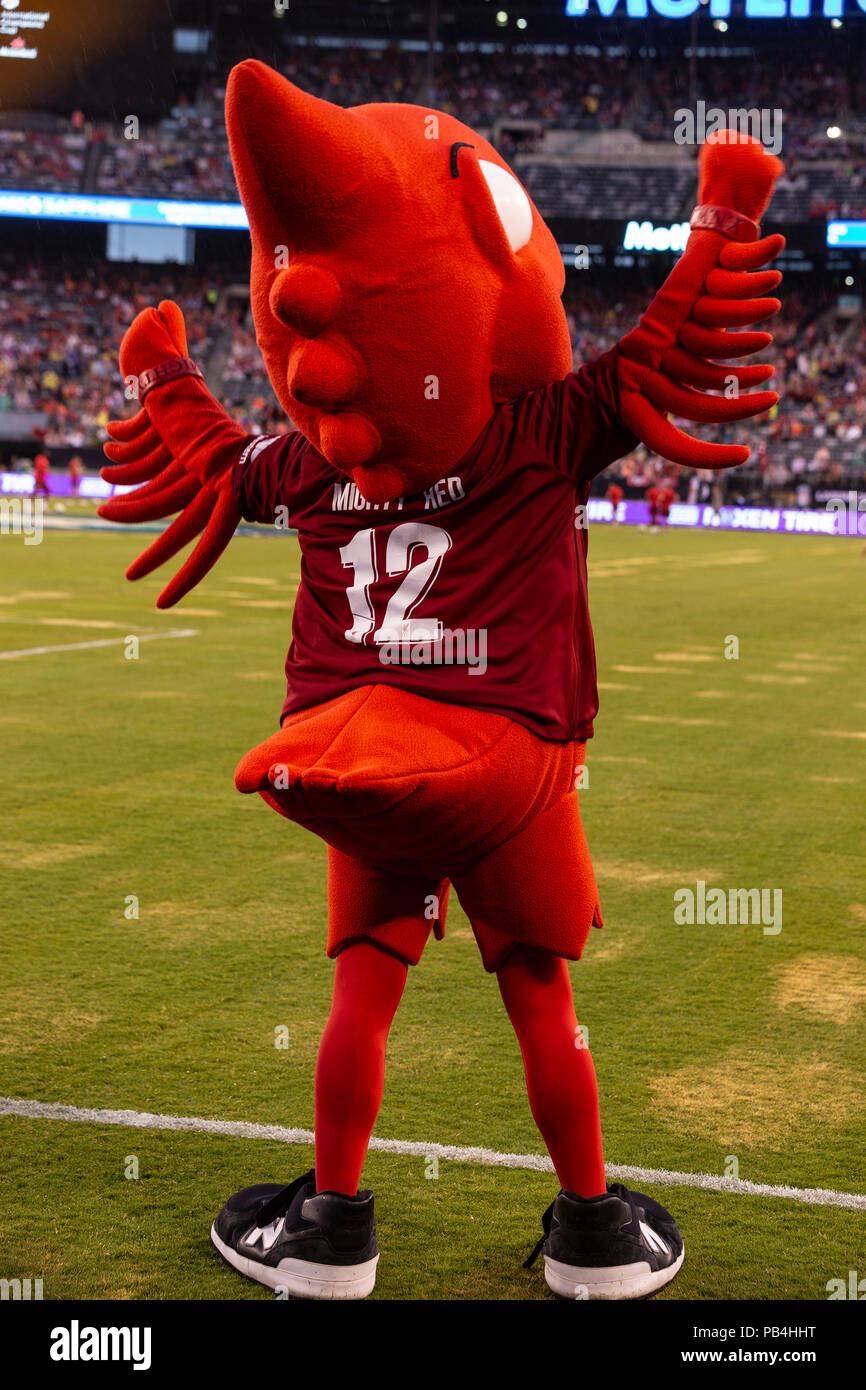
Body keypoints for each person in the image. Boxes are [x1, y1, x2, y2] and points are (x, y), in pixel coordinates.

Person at [99, 65, 784, 1301]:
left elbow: (212, 463)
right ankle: (593, 1234)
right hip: (507, 766)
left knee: (364, 986)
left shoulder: (308, 469)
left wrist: (160, 373)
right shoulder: (536, 435)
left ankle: (331, 1233)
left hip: (355, 757)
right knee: (536, 989)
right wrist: (722, 218)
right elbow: (663, 353)